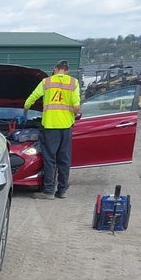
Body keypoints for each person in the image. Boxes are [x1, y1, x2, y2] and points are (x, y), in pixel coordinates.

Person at [24, 59, 81, 199]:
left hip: (50, 126)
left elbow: (33, 97)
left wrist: (25, 109)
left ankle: (49, 191)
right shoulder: (74, 82)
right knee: (64, 159)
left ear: (55, 69)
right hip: (66, 127)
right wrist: (72, 115)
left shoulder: (46, 82)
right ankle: (62, 190)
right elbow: (76, 106)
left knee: (49, 159)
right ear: (67, 71)